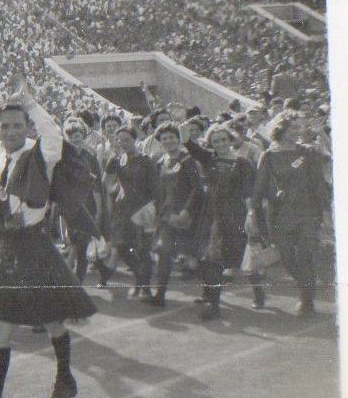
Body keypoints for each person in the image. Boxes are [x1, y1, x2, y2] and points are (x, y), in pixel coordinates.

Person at [0, 77, 96, 398]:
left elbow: (53, 135)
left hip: (34, 248)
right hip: (6, 251)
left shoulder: (41, 153)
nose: (11, 131)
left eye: (17, 125)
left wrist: (32, 104)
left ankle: (65, 380)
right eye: (4, 126)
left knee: (52, 321)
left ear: (26, 126)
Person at [248, 110, 329, 315]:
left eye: (298, 128)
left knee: (304, 256)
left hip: (308, 213)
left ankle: (306, 299)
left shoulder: (308, 152)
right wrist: (252, 213)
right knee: (286, 258)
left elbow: (319, 184)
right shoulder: (269, 155)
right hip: (280, 214)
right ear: (280, 129)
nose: (296, 131)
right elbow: (259, 188)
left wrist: (326, 212)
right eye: (292, 128)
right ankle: (307, 287)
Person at [184, 123, 263, 320]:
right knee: (213, 259)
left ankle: (258, 289)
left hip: (235, 214)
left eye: (223, 140)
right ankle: (214, 305)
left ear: (230, 140)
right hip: (211, 215)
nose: (220, 144)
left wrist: (251, 214)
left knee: (242, 256)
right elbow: (188, 143)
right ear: (210, 143)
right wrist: (183, 123)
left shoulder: (242, 163)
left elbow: (247, 192)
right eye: (215, 141)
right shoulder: (208, 158)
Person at [151, 123, 203, 307]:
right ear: (160, 142)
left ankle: (209, 295)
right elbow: (159, 192)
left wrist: (186, 211)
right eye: (164, 138)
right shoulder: (160, 162)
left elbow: (197, 189)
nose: (168, 141)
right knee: (164, 252)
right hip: (166, 216)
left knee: (194, 255)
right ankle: (160, 295)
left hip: (187, 216)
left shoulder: (187, 160)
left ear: (178, 139)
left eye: (172, 137)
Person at [103, 125, 158, 299]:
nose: (124, 143)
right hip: (123, 210)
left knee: (142, 250)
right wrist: (116, 188)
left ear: (135, 140)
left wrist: (153, 213)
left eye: (127, 140)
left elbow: (155, 190)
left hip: (143, 209)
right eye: (120, 140)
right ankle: (139, 280)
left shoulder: (146, 160)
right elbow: (106, 184)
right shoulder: (117, 160)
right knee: (122, 247)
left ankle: (145, 287)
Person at [61, 117, 104, 283]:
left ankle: (77, 281)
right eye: (71, 137)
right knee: (75, 242)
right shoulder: (65, 157)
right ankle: (100, 271)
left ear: (83, 137)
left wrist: (99, 208)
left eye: (78, 136)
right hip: (72, 205)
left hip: (87, 203)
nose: (75, 140)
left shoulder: (90, 157)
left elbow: (97, 184)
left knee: (82, 244)